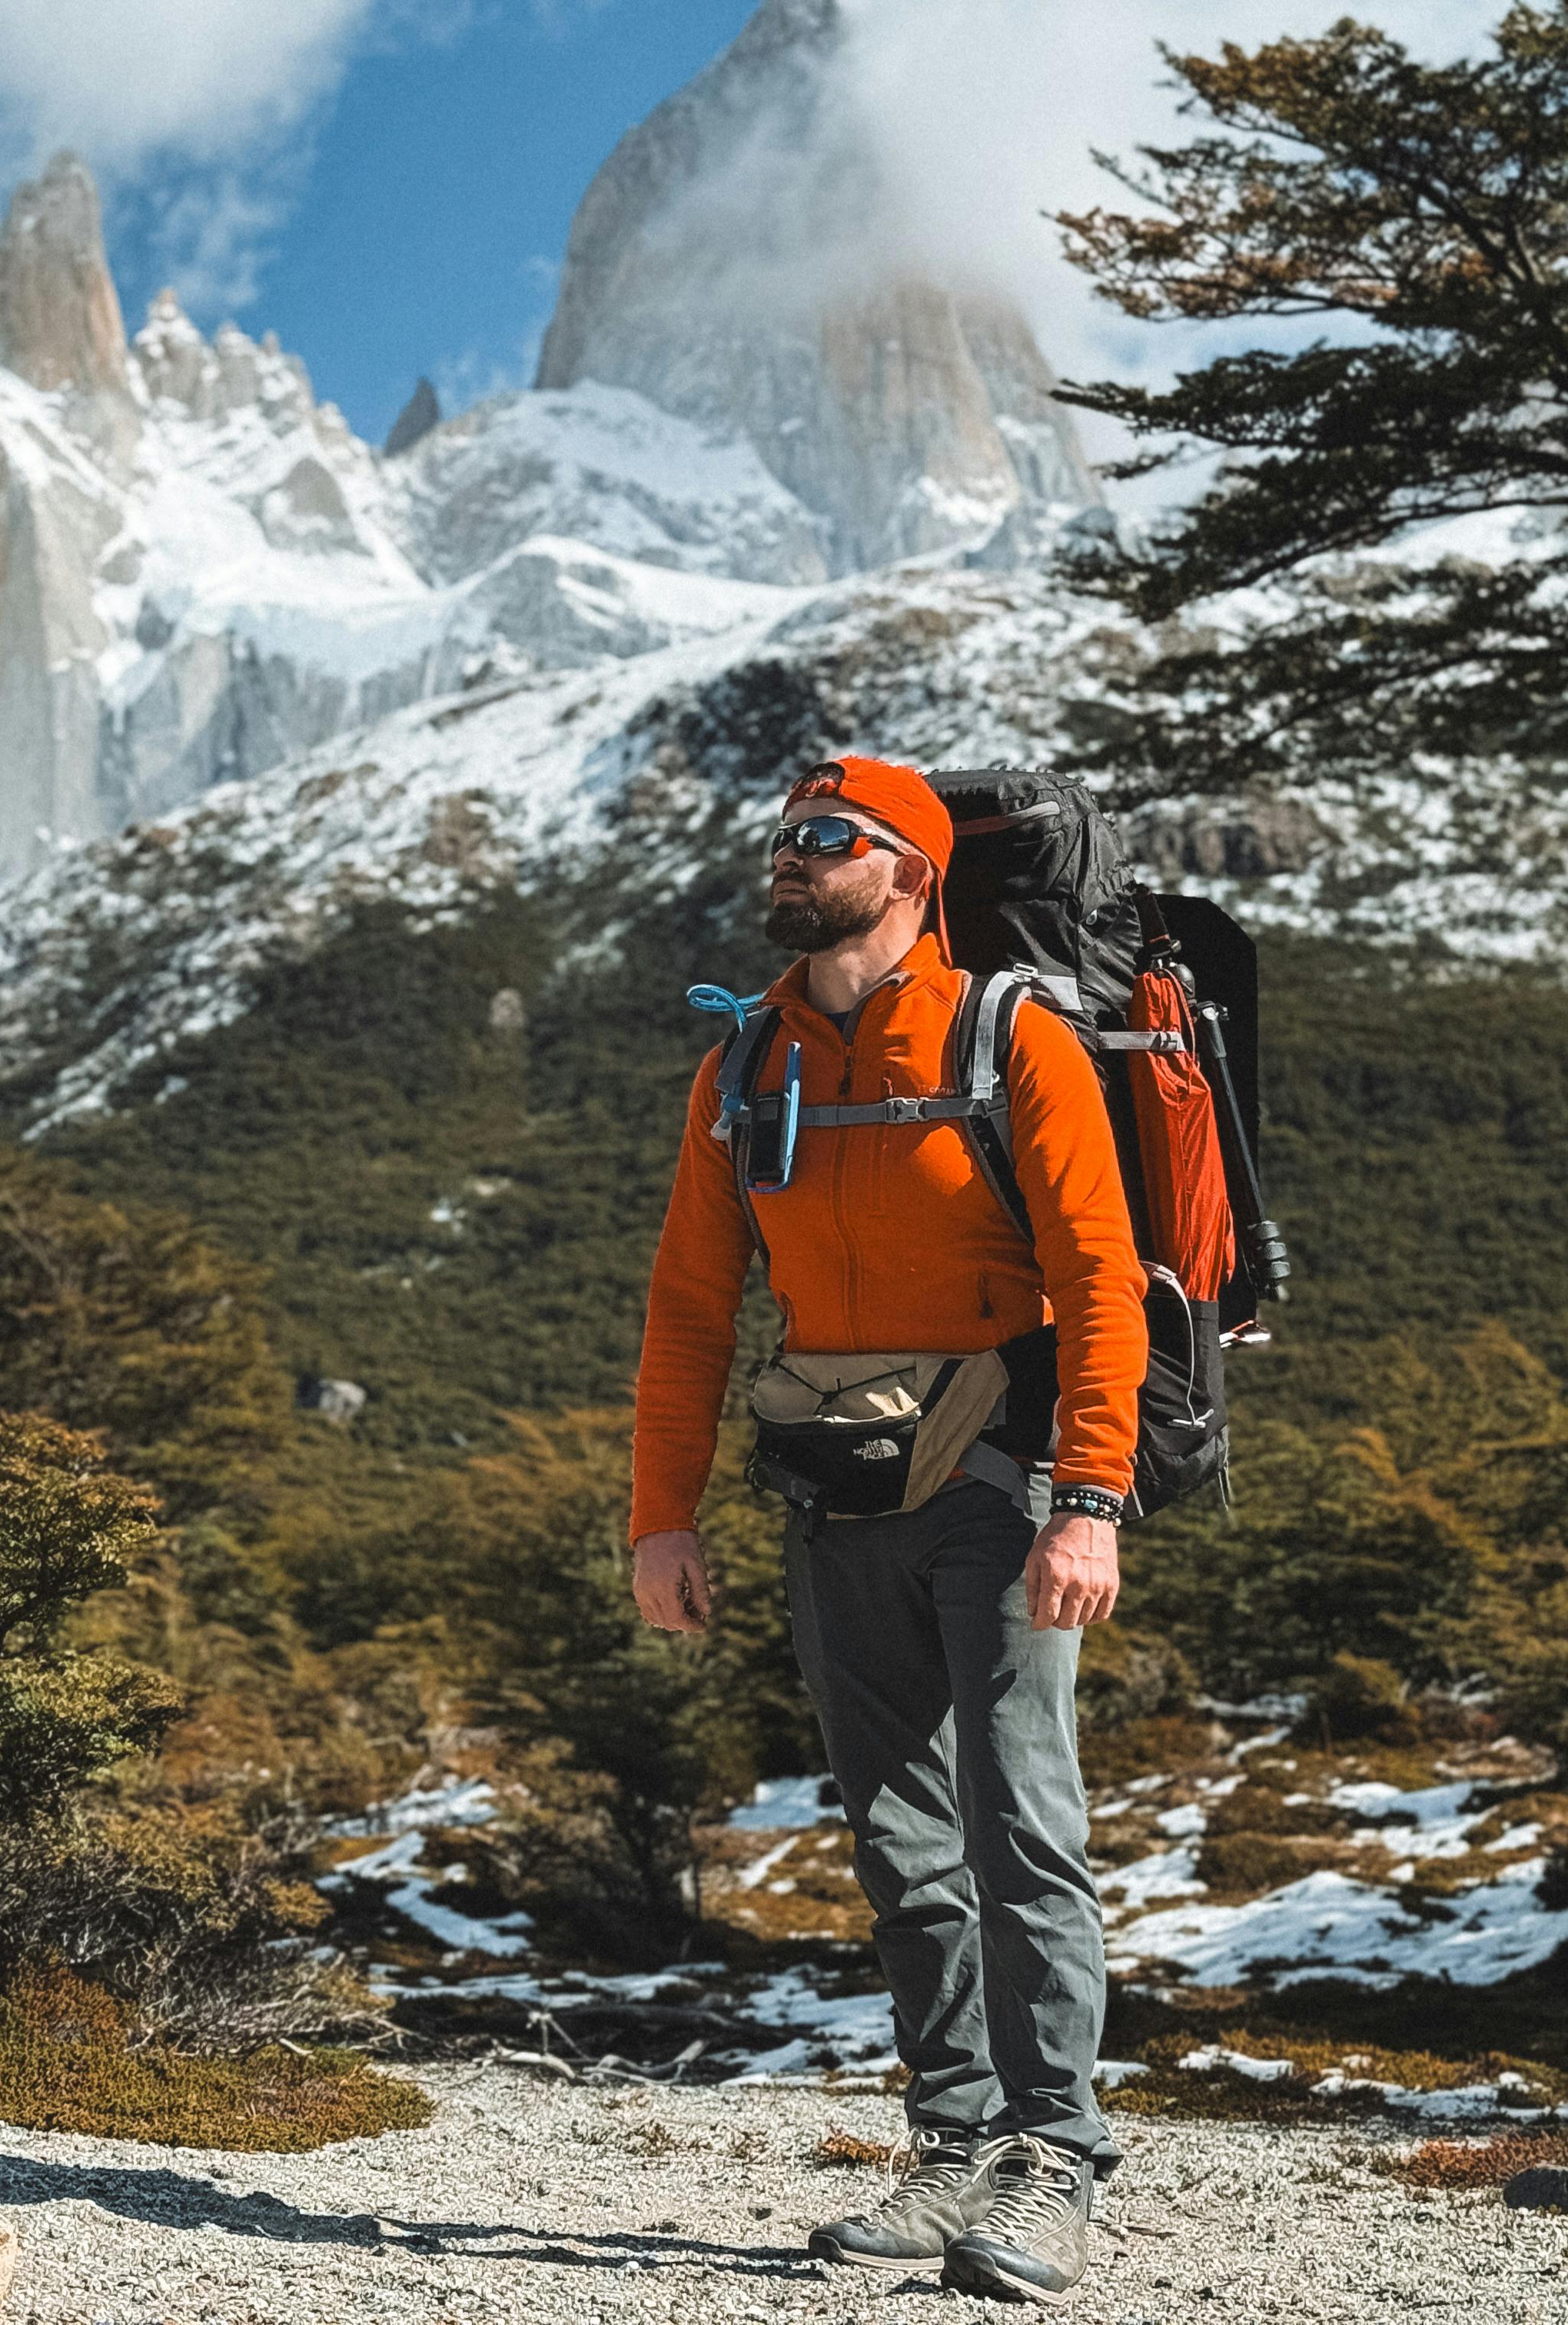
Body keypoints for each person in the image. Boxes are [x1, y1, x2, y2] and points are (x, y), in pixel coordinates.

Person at [627, 753, 1148, 2303]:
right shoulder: (744, 1069)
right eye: (785, 837)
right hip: (831, 1494)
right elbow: (688, 1309)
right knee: (903, 1841)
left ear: (912, 873)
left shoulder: (1014, 1039)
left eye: (828, 840)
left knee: (1021, 1825)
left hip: (1002, 1489)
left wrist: (1090, 1501)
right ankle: (952, 2146)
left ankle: (1055, 2158)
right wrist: (664, 1518)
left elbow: (1105, 1278)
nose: (793, 859)